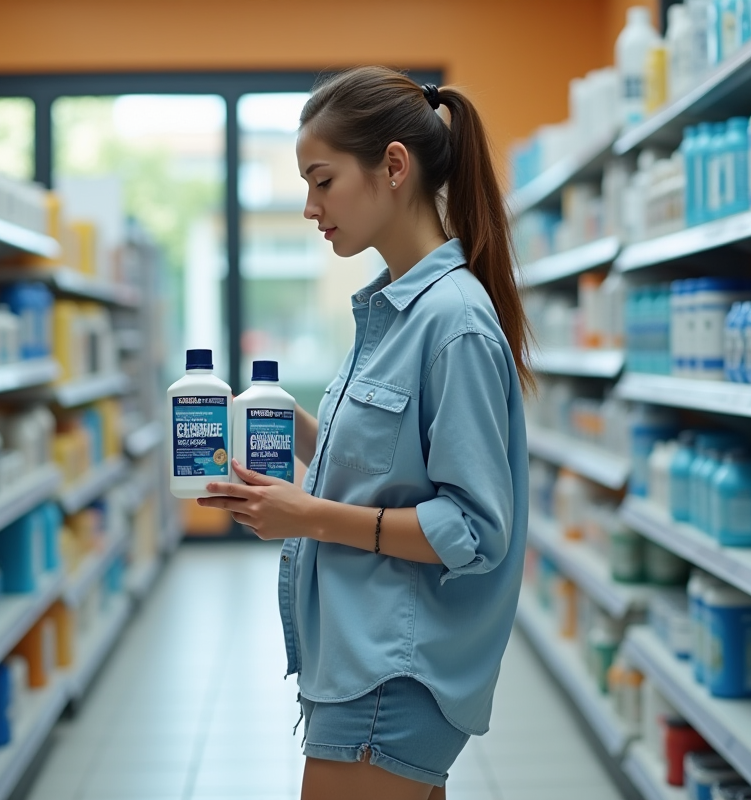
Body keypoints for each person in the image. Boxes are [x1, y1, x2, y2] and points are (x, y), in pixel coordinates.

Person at [198, 66, 531, 800]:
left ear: (393, 166)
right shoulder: (392, 309)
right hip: (363, 653)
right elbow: (394, 465)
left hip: (394, 668)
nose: (311, 207)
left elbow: (472, 528)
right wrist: (301, 429)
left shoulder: (453, 323)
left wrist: (307, 516)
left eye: (322, 180)